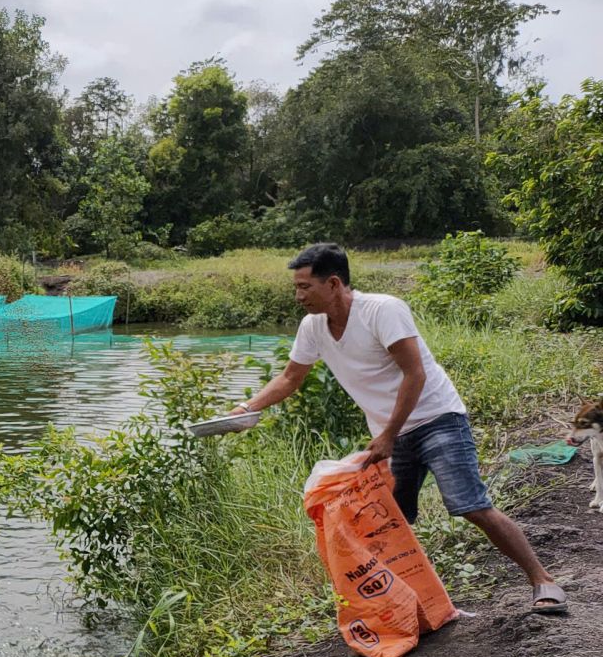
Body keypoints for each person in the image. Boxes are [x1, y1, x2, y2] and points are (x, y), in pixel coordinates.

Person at [234, 242, 568, 616]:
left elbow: (415, 373)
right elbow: (289, 378)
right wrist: (246, 409)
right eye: (296, 287)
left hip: (436, 419)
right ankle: (419, 605)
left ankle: (543, 580)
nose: (298, 296)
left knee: (469, 505)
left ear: (332, 283)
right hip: (390, 435)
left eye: (304, 287)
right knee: (386, 520)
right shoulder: (313, 327)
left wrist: (388, 435)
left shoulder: (382, 310)